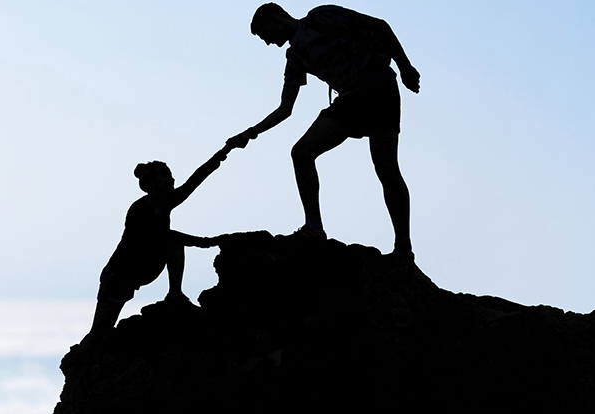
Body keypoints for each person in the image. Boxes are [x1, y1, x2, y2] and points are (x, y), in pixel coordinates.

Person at [227, 3, 419, 259]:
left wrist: (405, 66)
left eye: (265, 34)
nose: (268, 43)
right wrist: (250, 133)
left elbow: (378, 26)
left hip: (377, 86)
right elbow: (285, 108)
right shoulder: (294, 57)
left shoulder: (321, 16)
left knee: (386, 166)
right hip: (349, 100)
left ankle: (403, 247)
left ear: (275, 18)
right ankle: (314, 228)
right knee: (302, 153)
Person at [86, 146, 231, 339]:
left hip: (144, 268)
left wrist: (224, 152)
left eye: (171, 175)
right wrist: (207, 242)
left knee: (174, 244)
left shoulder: (167, 201)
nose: (171, 179)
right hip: (119, 275)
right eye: (165, 176)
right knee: (99, 333)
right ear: (152, 182)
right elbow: (163, 235)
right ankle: (84, 356)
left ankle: (175, 293)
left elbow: (196, 179)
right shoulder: (138, 210)